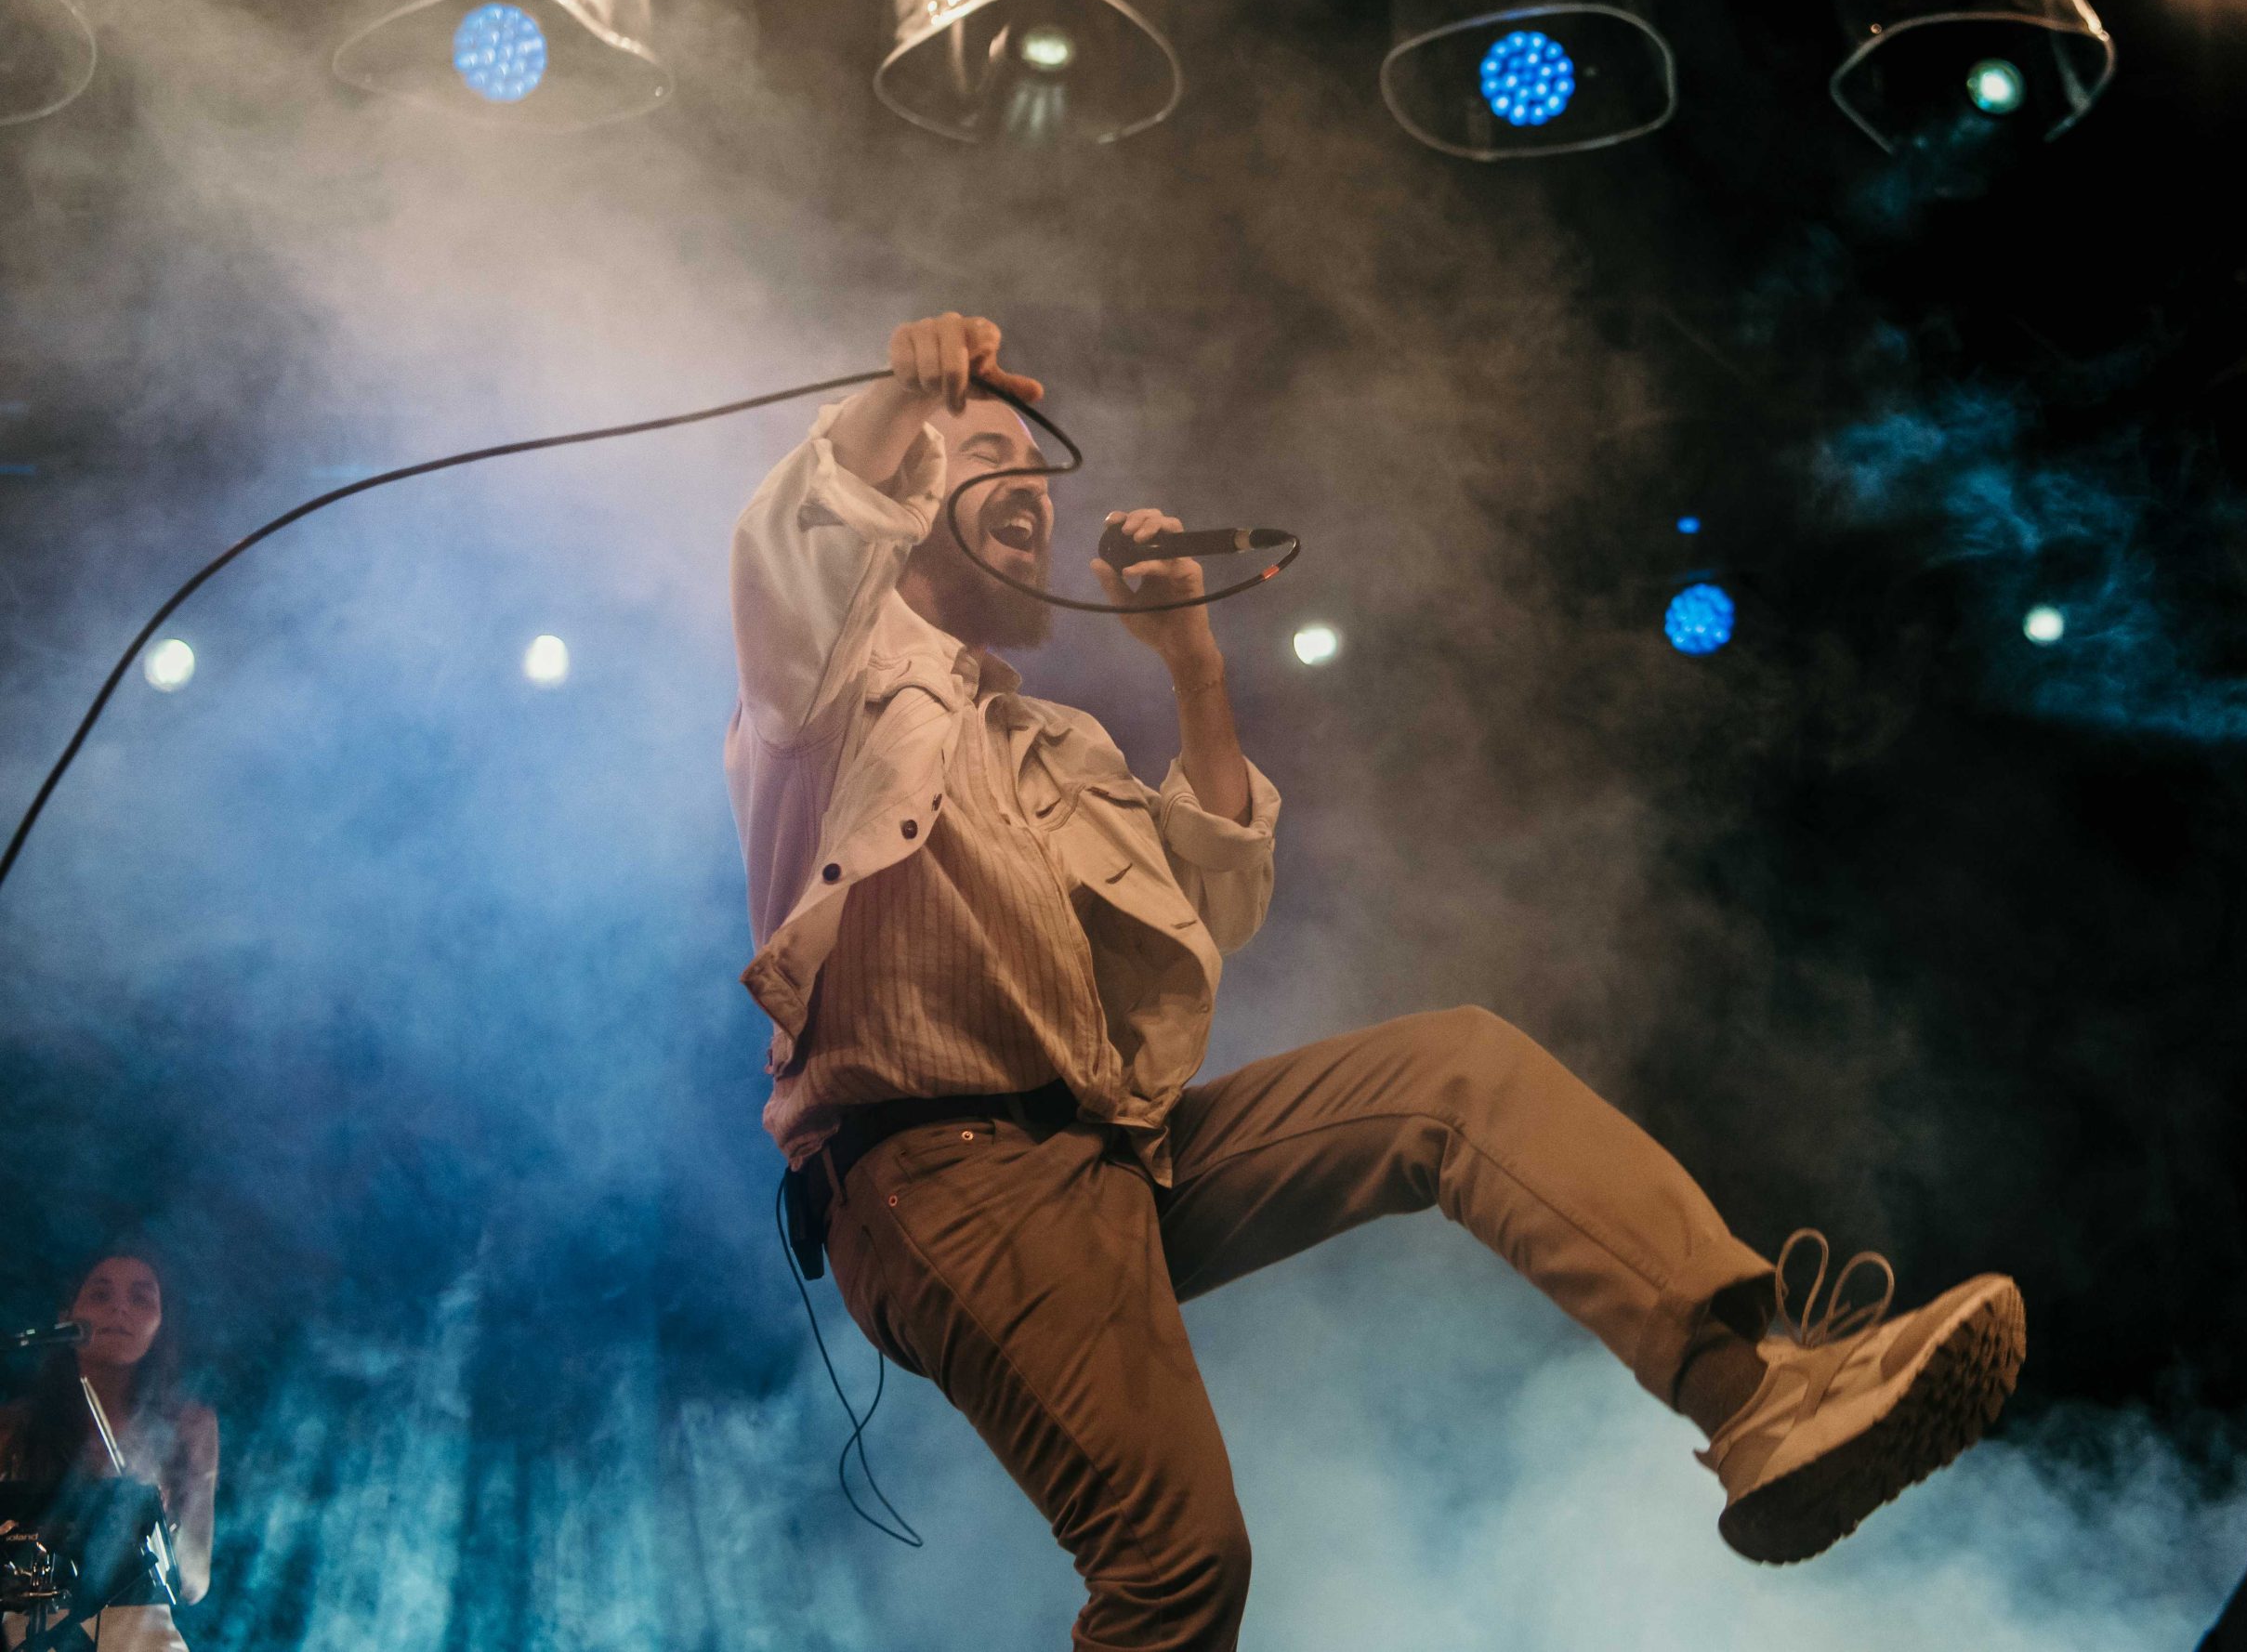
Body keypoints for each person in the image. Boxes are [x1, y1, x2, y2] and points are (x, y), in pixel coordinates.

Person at [725, 312, 2026, 1649]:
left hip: (1109, 1155)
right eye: (983, 457)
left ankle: (1753, 1396)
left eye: (1036, 466)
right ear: (905, 488)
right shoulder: (825, 678)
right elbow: (799, 533)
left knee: (1456, 1074)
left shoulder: (1051, 739)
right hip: (942, 1178)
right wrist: (899, 394)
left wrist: (1194, 665)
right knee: (1177, 1561)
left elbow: (1213, 904)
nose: (1031, 489)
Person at [0, 1252, 216, 1652]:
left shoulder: (191, 1425)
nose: (120, 1309)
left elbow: (195, 1582)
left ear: (161, 1322)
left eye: (141, 1298)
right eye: (101, 1295)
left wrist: (160, 1529)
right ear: (67, 1315)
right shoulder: (12, 1425)